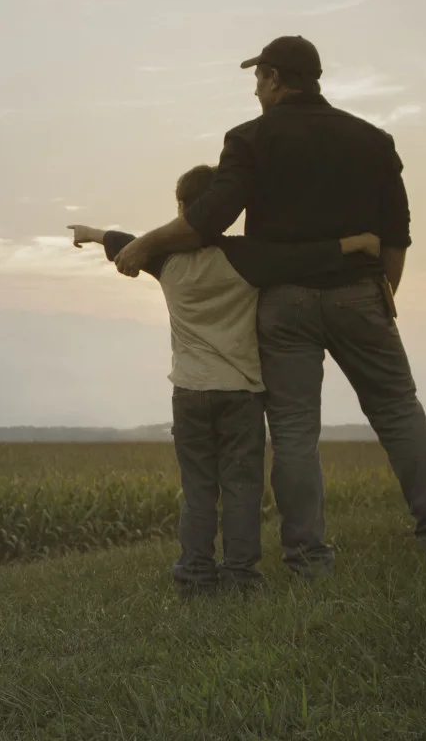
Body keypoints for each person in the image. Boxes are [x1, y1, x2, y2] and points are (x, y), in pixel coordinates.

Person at [114, 35, 426, 577]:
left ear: (277, 78)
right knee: (399, 413)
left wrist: (143, 243)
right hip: (360, 294)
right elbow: (396, 234)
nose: (256, 88)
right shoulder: (373, 140)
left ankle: (307, 557)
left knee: (296, 432)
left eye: (259, 78)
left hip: (283, 306)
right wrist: (385, 294)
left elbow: (208, 219)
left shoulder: (249, 139)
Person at [71, 165, 379, 594]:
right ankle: (240, 577)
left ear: (180, 210)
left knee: (198, 491)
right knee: (241, 489)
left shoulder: (164, 259)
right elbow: (306, 256)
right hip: (241, 394)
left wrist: (89, 232)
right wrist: (357, 243)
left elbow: (122, 241)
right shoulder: (246, 256)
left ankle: (195, 575)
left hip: (190, 392)